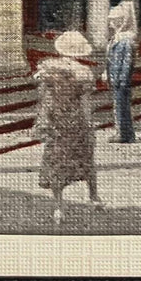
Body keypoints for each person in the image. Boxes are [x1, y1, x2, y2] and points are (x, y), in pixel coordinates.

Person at [35, 30, 103, 226]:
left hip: (56, 122)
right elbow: (85, 104)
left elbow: (44, 99)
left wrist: (43, 120)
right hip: (76, 122)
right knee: (86, 158)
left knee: (56, 163)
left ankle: (58, 207)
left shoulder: (47, 70)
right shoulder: (84, 73)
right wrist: (90, 125)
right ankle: (93, 196)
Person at [105, 4, 137, 143]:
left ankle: (123, 134)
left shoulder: (125, 40)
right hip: (115, 77)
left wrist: (123, 81)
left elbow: (126, 63)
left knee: (121, 108)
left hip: (120, 80)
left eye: (113, 20)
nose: (111, 23)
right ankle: (125, 133)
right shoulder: (116, 37)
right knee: (119, 107)